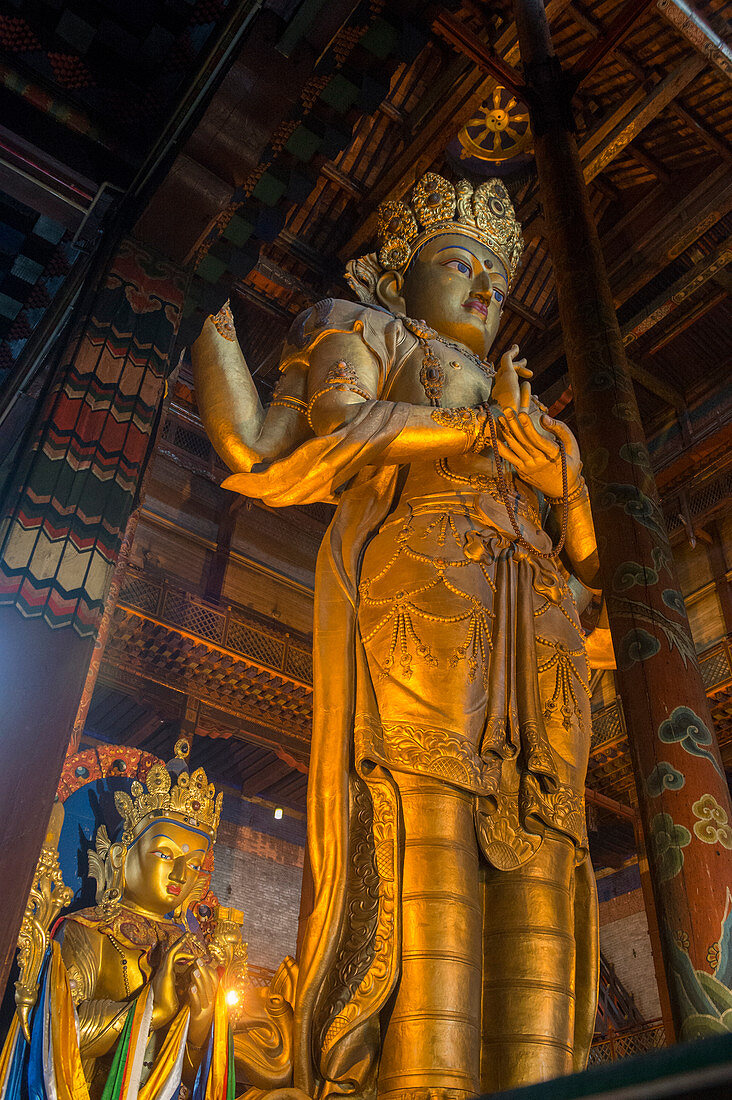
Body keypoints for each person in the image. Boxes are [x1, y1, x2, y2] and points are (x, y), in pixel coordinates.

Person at [192, 173, 602, 1098]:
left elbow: (602, 563)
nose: (485, 290)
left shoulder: (533, 411)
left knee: (545, 857)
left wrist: (566, 479)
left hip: (540, 637)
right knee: (428, 839)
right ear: (398, 277)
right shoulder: (365, 328)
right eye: (461, 263)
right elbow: (317, 431)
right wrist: (471, 426)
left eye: (497, 275)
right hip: (427, 599)